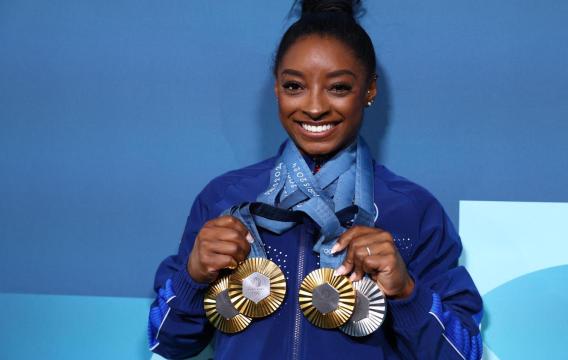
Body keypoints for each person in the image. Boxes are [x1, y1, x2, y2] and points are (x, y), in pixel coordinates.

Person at [148, 1, 483, 359]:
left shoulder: (413, 210)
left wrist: (406, 292)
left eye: (338, 87)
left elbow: (463, 353)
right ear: (276, 89)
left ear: (369, 90)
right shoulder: (225, 198)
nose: (314, 107)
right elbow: (167, 340)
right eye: (295, 86)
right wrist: (192, 277)